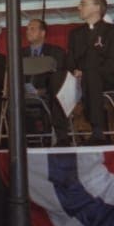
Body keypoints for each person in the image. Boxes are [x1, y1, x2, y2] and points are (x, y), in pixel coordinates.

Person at [65, 0, 114, 145]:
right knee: (56, 78)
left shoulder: (113, 31)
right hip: (79, 79)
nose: (79, 7)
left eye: (83, 4)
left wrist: (89, 73)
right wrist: (74, 70)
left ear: (97, 7)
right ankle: (61, 134)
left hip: (107, 78)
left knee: (92, 74)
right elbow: (70, 60)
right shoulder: (75, 34)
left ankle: (97, 129)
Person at [21, 18, 69, 146]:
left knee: (56, 96)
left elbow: (60, 78)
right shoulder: (19, 54)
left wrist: (43, 90)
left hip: (48, 93)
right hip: (23, 94)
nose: (28, 32)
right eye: (27, 29)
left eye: (32, 29)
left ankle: (60, 137)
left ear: (43, 33)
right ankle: (29, 140)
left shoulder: (56, 52)